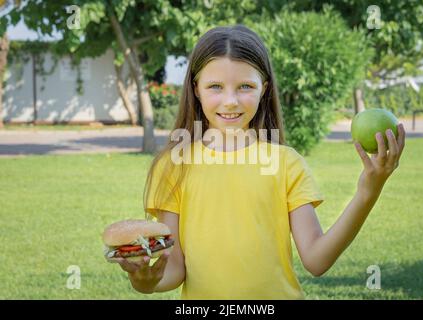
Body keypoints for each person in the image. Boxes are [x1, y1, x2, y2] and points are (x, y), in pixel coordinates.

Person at [115, 25, 405, 299]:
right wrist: (146, 281)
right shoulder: (174, 165)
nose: (230, 101)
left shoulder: (286, 163)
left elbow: (317, 260)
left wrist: (369, 191)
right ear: (196, 88)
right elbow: (175, 267)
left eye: (245, 87)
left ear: (264, 88)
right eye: (215, 86)